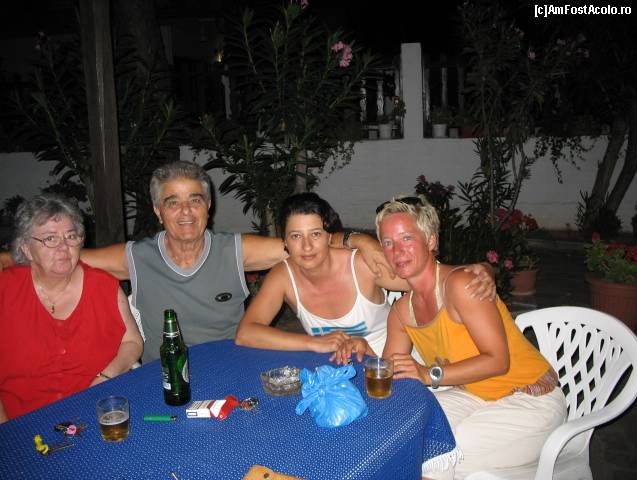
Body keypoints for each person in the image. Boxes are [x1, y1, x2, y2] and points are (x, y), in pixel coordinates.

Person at [9, 162, 384, 363]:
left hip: (232, 370)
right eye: (172, 202)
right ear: (158, 211)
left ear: (208, 206)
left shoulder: (235, 250)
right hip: (163, 378)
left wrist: (359, 239)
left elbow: (305, 244)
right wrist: (14, 255)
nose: (186, 211)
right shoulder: (136, 257)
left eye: (195, 200)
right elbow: (63, 253)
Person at [377, 196, 566, 479]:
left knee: (435, 451)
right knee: (406, 432)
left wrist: (428, 374)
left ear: (431, 240)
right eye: (388, 242)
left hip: (530, 397)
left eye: (407, 238)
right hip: (475, 395)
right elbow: (389, 374)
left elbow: (498, 361)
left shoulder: (461, 284)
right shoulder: (401, 313)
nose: (397, 251)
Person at [235, 193, 496, 364]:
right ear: (284, 241)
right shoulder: (283, 276)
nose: (306, 246)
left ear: (330, 237)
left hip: (396, 363)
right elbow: (246, 333)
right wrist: (314, 343)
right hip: (339, 369)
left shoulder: (361, 264)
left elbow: (434, 280)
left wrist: (480, 269)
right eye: (295, 236)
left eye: (315, 234)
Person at [0, 195, 143, 423]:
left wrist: (106, 376)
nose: (64, 247)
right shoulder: (6, 290)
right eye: (50, 238)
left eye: (71, 236)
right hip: (20, 424)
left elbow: (133, 342)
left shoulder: (104, 287)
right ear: (26, 248)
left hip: (93, 415)